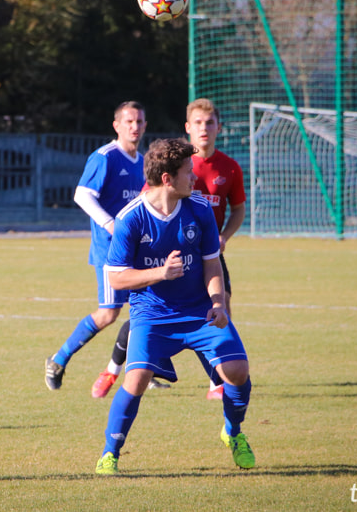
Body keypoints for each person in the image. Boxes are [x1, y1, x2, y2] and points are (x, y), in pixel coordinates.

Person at [94, 138, 254, 476]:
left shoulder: (199, 210)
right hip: (151, 314)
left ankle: (233, 433)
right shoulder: (131, 219)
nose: (194, 178)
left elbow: (212, 264)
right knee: (136, 379)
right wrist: (160, 273)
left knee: (237, 371)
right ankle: (110, 453)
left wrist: (218, 303)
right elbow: (117, 279)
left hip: (199, 310)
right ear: (167, 179)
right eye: (187, 172)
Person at [91, 98, 246, 400]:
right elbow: (148, 205)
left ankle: (217, 382)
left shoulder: (229, 167)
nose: (204, 129)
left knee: (219, 307)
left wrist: (225, 235)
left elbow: (238, 209)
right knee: (145, 316)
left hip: (207, 252)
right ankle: (113, 368)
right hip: (167, 252)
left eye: (210, 123)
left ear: (219, 128)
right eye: (198, 123)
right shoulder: (175, 162)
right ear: (188, 128)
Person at [45, 101, 169, 393]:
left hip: (139, 249)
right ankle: (58, 360)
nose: (134, 127)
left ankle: (141, 370)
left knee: (148, 309)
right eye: (128, 121)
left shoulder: (143, 162)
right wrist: (111, 225)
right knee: (108, 314)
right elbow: (83, 196)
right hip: (111, 252)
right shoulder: (105, 157)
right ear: (117, 125)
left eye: (139, 121)